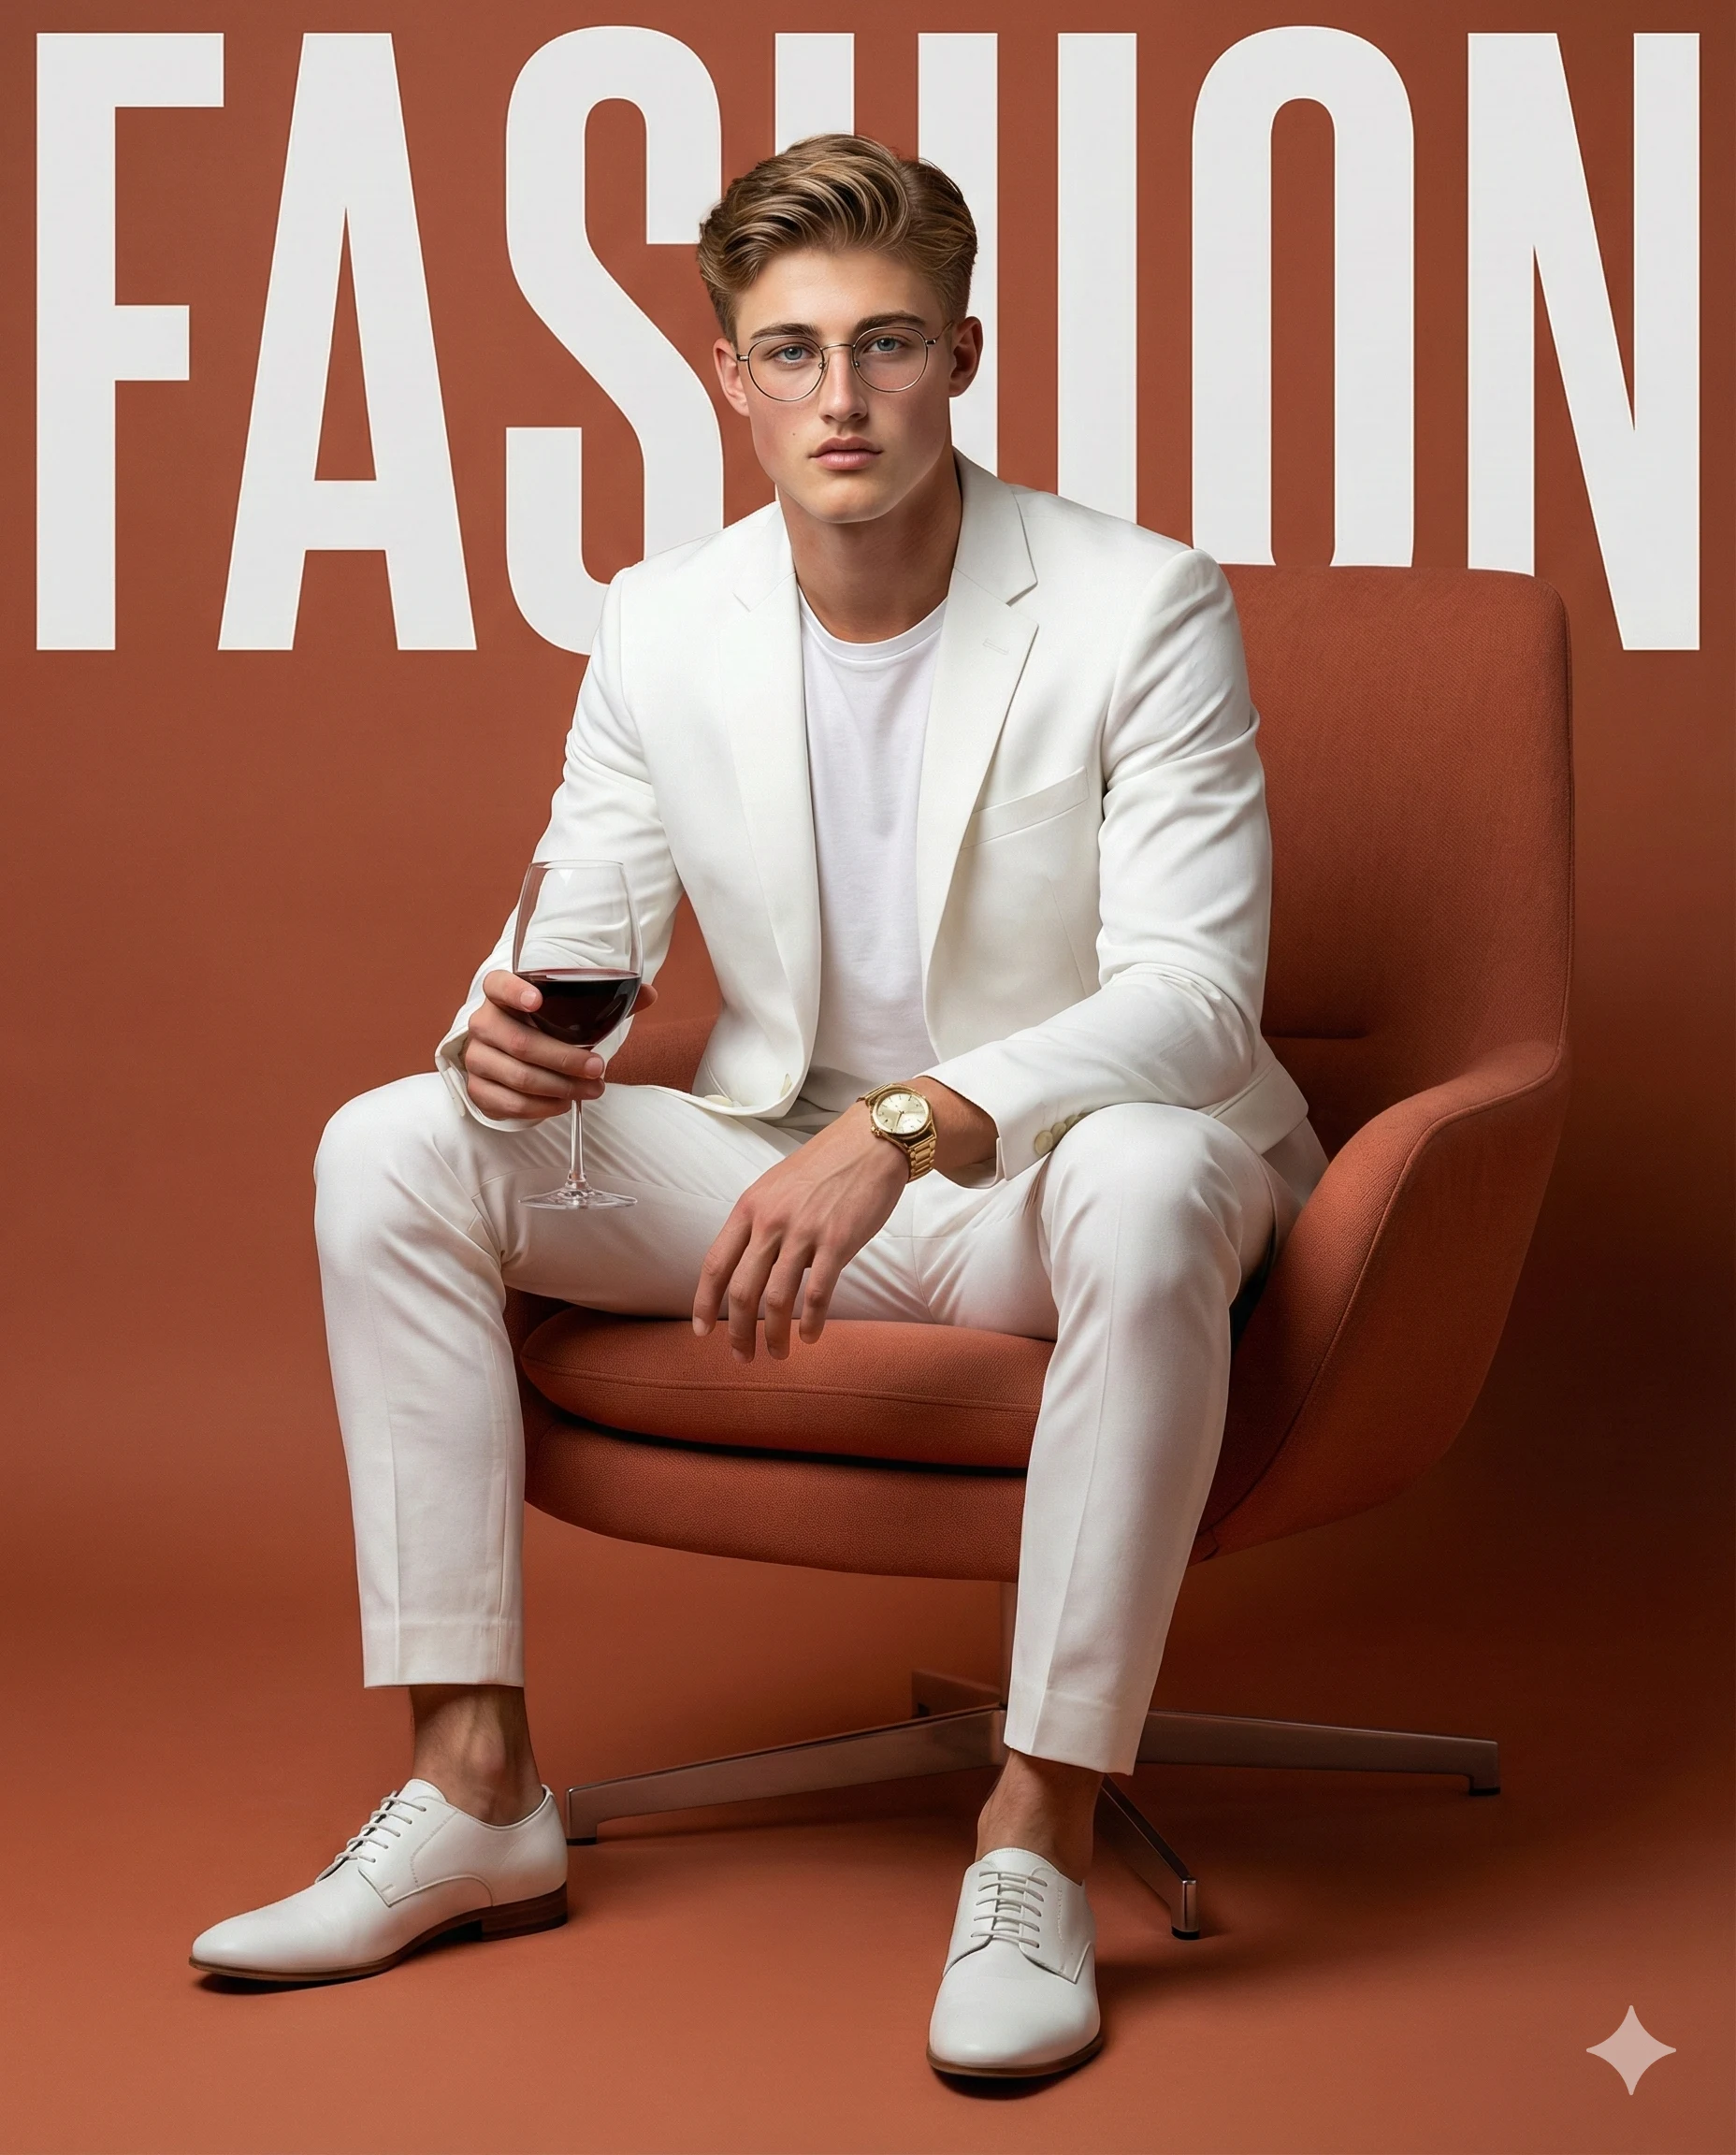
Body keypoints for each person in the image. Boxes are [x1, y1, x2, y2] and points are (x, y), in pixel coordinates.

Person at [191, 134, 1326, 2078]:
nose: (840, 396)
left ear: (961, 356)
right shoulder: (663, 619)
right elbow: (578, 936)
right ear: (730, 377)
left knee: (1151, 1180)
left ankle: (1036, 1839)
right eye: (791, 352)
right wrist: (501, 1039)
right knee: (390, 1143)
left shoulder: (1141, 602)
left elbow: (1197, 1000)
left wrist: (903, 1131)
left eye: (886, 344)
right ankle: (474, 1794)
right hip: (769, 1161)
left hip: (1043, 1184)